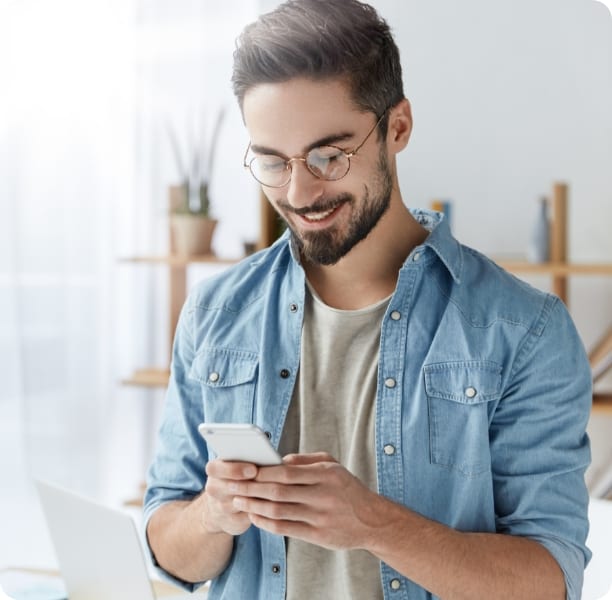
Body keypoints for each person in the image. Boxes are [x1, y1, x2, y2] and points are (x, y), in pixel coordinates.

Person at [143, 1, 592, 598]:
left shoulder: (522, 330)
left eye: (330, 155)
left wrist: (373, 524)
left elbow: (550, 580)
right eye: (274, 162)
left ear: (397, 127)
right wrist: (212, 514)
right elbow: (167, 549)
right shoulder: (215, 313)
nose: (300, 192)